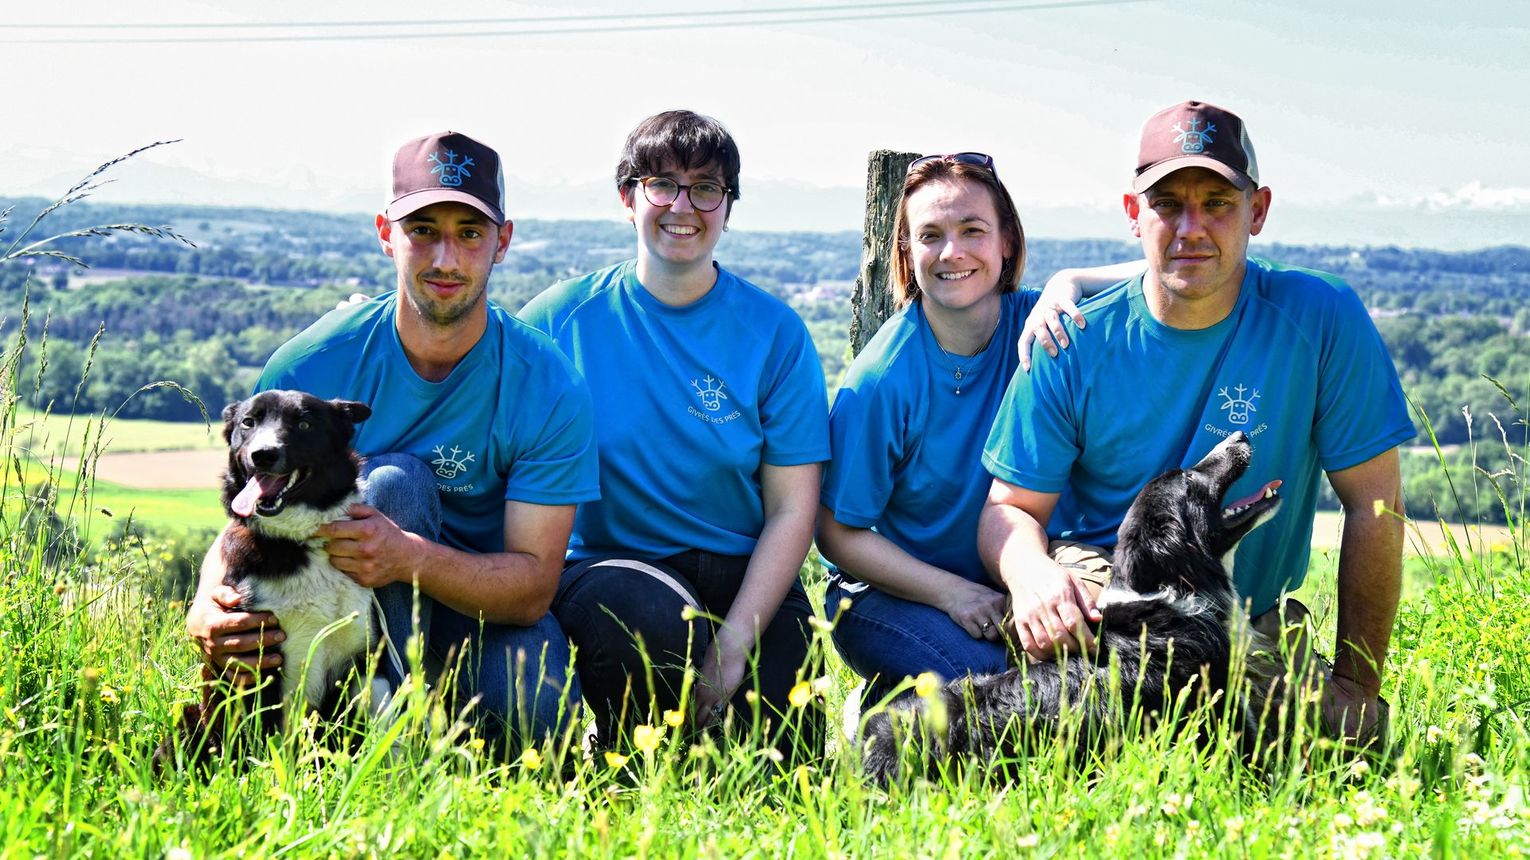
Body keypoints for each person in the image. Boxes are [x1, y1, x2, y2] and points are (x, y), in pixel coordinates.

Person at [980, 101, 1413, 745]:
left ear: (1257, 211)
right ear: (1134, 214)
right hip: (1108, 603)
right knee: (1119, 737)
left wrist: (1356, 686)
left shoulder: (1323, 318)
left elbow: (1376, 506)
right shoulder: (1070, 341)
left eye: (1217, 202)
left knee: (1341, 744)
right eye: (1167, 204)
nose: (1191, 228)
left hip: (1242, 616)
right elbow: (1009, 509)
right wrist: (1031, 575)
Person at [184, 131, 599, 745]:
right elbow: (251, 509)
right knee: (394, 482)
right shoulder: (310, 366)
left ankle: (409, 724)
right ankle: (381, 736)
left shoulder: (549, 386)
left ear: (502, 242)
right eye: (423, 230)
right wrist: (204, 601)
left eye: (470, 233)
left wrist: (409, 557)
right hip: (339, 607)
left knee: (533, 713)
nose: (445, 260)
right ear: (386, 234)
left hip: (479, 607)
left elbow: (534, 588)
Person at [518, 110, 829, 752]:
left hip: (746, 574)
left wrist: (737, 642)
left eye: (707, 188)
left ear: (728, 207)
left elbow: (793, 508)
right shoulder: (559, 321)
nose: (683, 206)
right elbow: (480, 391)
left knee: (780, 750)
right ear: (628, 199)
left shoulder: (775, 333)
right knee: (644, 627)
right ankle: (622, 756)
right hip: (614, 568)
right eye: (662, 183)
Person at [816, 152, 1098, 704]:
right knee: (1004, 693)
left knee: (1097, 680)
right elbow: (835, 533)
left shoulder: (1045, 327)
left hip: (1014, 579)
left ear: (1007, 242)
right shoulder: (883, 377)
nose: (953, 252)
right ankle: (878, 716)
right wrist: (951, 594)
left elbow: (1163, 274)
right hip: (892, 594)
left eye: (973, 230)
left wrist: (1074, 277)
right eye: (930, 235)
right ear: (906, 250)